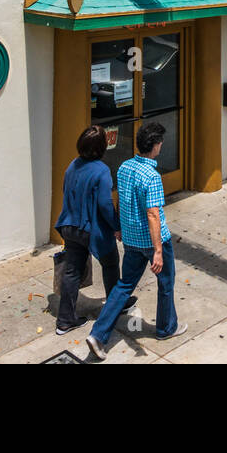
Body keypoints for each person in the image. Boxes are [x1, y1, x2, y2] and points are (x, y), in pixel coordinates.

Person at [86, 122, 186, 359]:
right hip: (152, 242)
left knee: (123, 286)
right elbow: (153, 214)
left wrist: (119, 227)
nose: (162, 145)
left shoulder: (124, 168)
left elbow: (120, 197)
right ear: (155, 146)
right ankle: (166, 328)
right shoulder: (152, 176)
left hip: (131, 241)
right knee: (166, 283)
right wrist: (158, 251)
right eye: (160, 142)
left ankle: (98, 334)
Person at [53, 125, 134, 335]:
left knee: (72, 271)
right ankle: (116, 306)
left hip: (69, 225)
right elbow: (105, 205)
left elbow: (66, 191)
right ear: (101, 148)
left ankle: (65, 320)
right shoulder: (102, 171)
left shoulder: (72, 166)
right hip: (91, 230)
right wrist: (116, 227)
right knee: (110, 264)